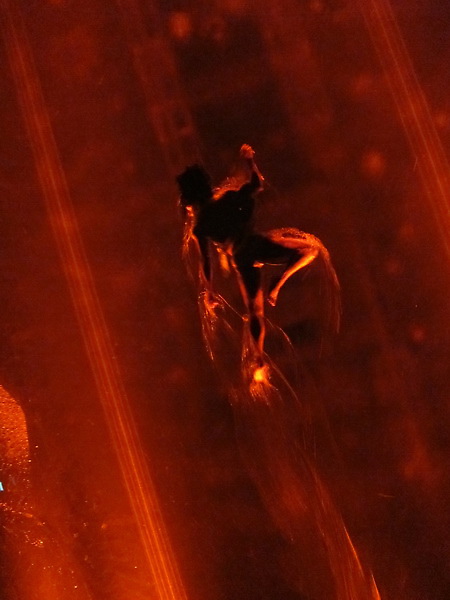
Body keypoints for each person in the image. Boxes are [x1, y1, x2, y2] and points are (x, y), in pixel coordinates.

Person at [177, 145, 339, 373]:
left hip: (241, 257)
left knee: (255, 311)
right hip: (255, 243)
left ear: (189, 198)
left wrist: (210, 291)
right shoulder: (226, 199)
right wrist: (249, 160)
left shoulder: (200, 225)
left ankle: (258, 356)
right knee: (311, 249)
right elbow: (256, 184)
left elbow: (206, 260)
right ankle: (278, 284)